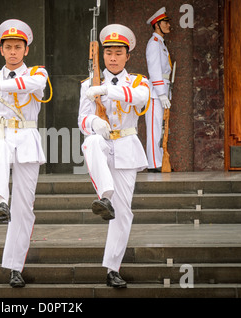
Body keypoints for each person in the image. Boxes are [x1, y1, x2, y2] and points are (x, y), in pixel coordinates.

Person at [0, 19, 50, 288]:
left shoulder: (37, 74)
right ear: (1, 49)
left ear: (26, 50)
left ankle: (15, 267)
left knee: (25, 209)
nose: (13, 52)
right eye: (8, 47)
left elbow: (28, 87)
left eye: (18, 47)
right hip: (0, 136)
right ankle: (0, 201)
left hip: (27, 139)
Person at [78, 24, 150, 288]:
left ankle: (112, 268)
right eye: (108, 52)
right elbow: (82, 119)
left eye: (118, 52)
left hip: (127, 146)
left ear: (127, 55)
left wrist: (107, 90)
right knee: (92, 141)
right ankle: (104, 196)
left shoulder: (138, 82)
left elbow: (140, 99)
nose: (112, 57)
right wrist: (93, 123)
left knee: (124, 212)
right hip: (105, 143)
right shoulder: (89, 83)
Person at [145, 7, 172, 172]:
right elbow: (154, 70)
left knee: (162, 129)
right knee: (155, 129)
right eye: (165, 22)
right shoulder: (153, 44)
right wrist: (161, 93)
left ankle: (161, 162)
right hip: (156, 94)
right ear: (157, 25)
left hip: (163, 91)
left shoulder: (161, 43)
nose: (169, 25)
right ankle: (154, 164)